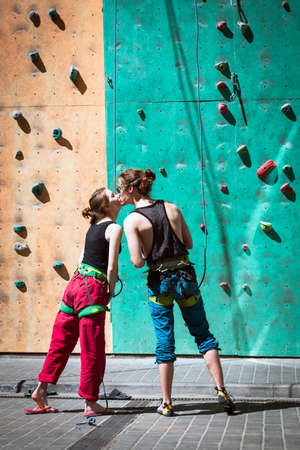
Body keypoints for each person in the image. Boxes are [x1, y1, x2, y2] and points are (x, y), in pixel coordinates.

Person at [117, 168, 234, 416]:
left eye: (120, 188)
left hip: (160, 284)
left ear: (131, 189)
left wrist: (151, 250)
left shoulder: (131, 220)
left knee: (164, 342)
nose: (119, 194)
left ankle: (167, 402)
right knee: (203, 334)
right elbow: (189, 244)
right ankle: (221, 388)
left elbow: (137, 262)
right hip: (186, 278)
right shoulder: (172, 207)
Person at [24, 188, 122, 416]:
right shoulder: (115, 228)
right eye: (112, 194)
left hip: (75, 286)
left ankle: (41, 389)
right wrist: (109, 290)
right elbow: (111, 266)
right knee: (92, 348)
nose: (118, 195)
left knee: (61, 342)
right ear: (106, 207)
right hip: (92, 288)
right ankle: (90, 403)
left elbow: (81, 258)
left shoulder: (92, 228)